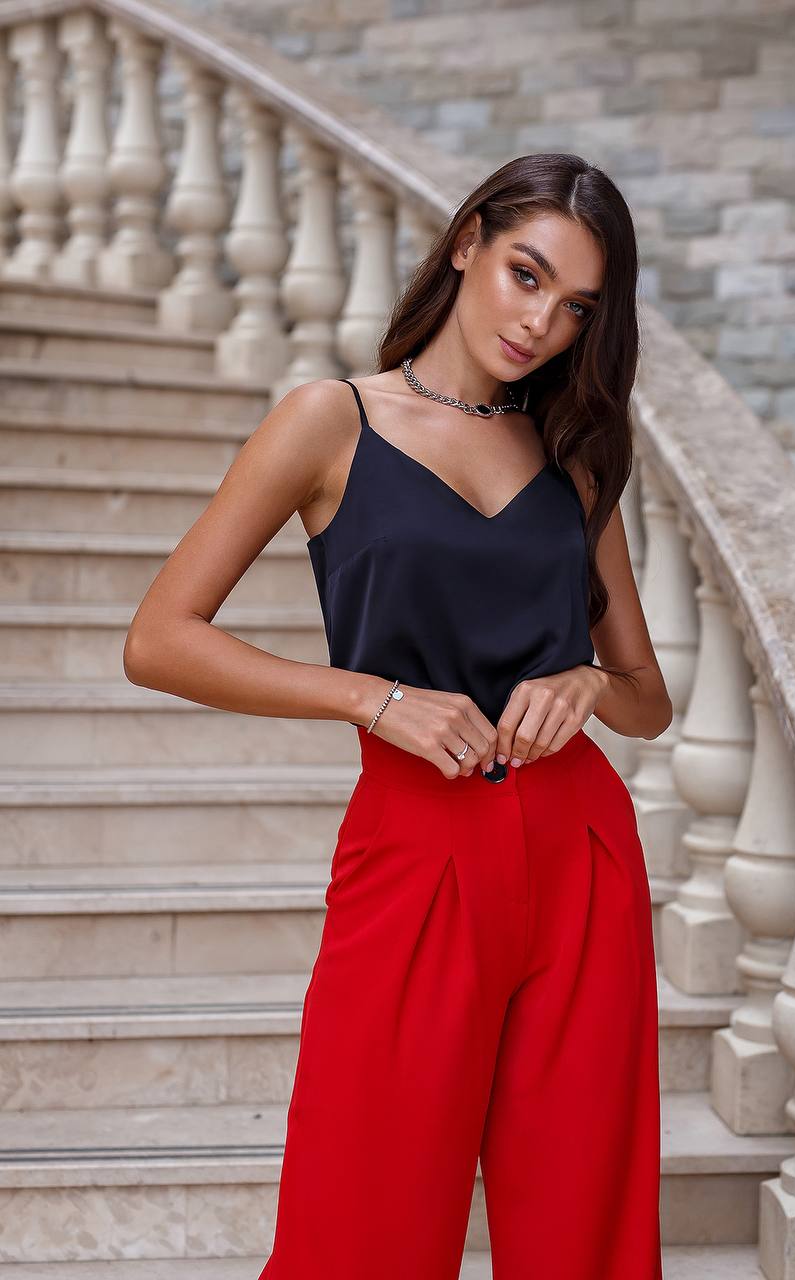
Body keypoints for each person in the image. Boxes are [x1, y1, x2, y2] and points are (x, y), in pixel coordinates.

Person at [124, 151, 673, 1279]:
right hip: (416, 852)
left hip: (581, 854)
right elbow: (160, 639)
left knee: (582, 1234)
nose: (541, 323)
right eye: (526, 275)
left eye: (576, 307)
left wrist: (586, 684)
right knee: (361, 1224)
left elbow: (648, 700)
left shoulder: (574, 456)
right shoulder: (329, 422)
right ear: (468, 242)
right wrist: (372, 700)